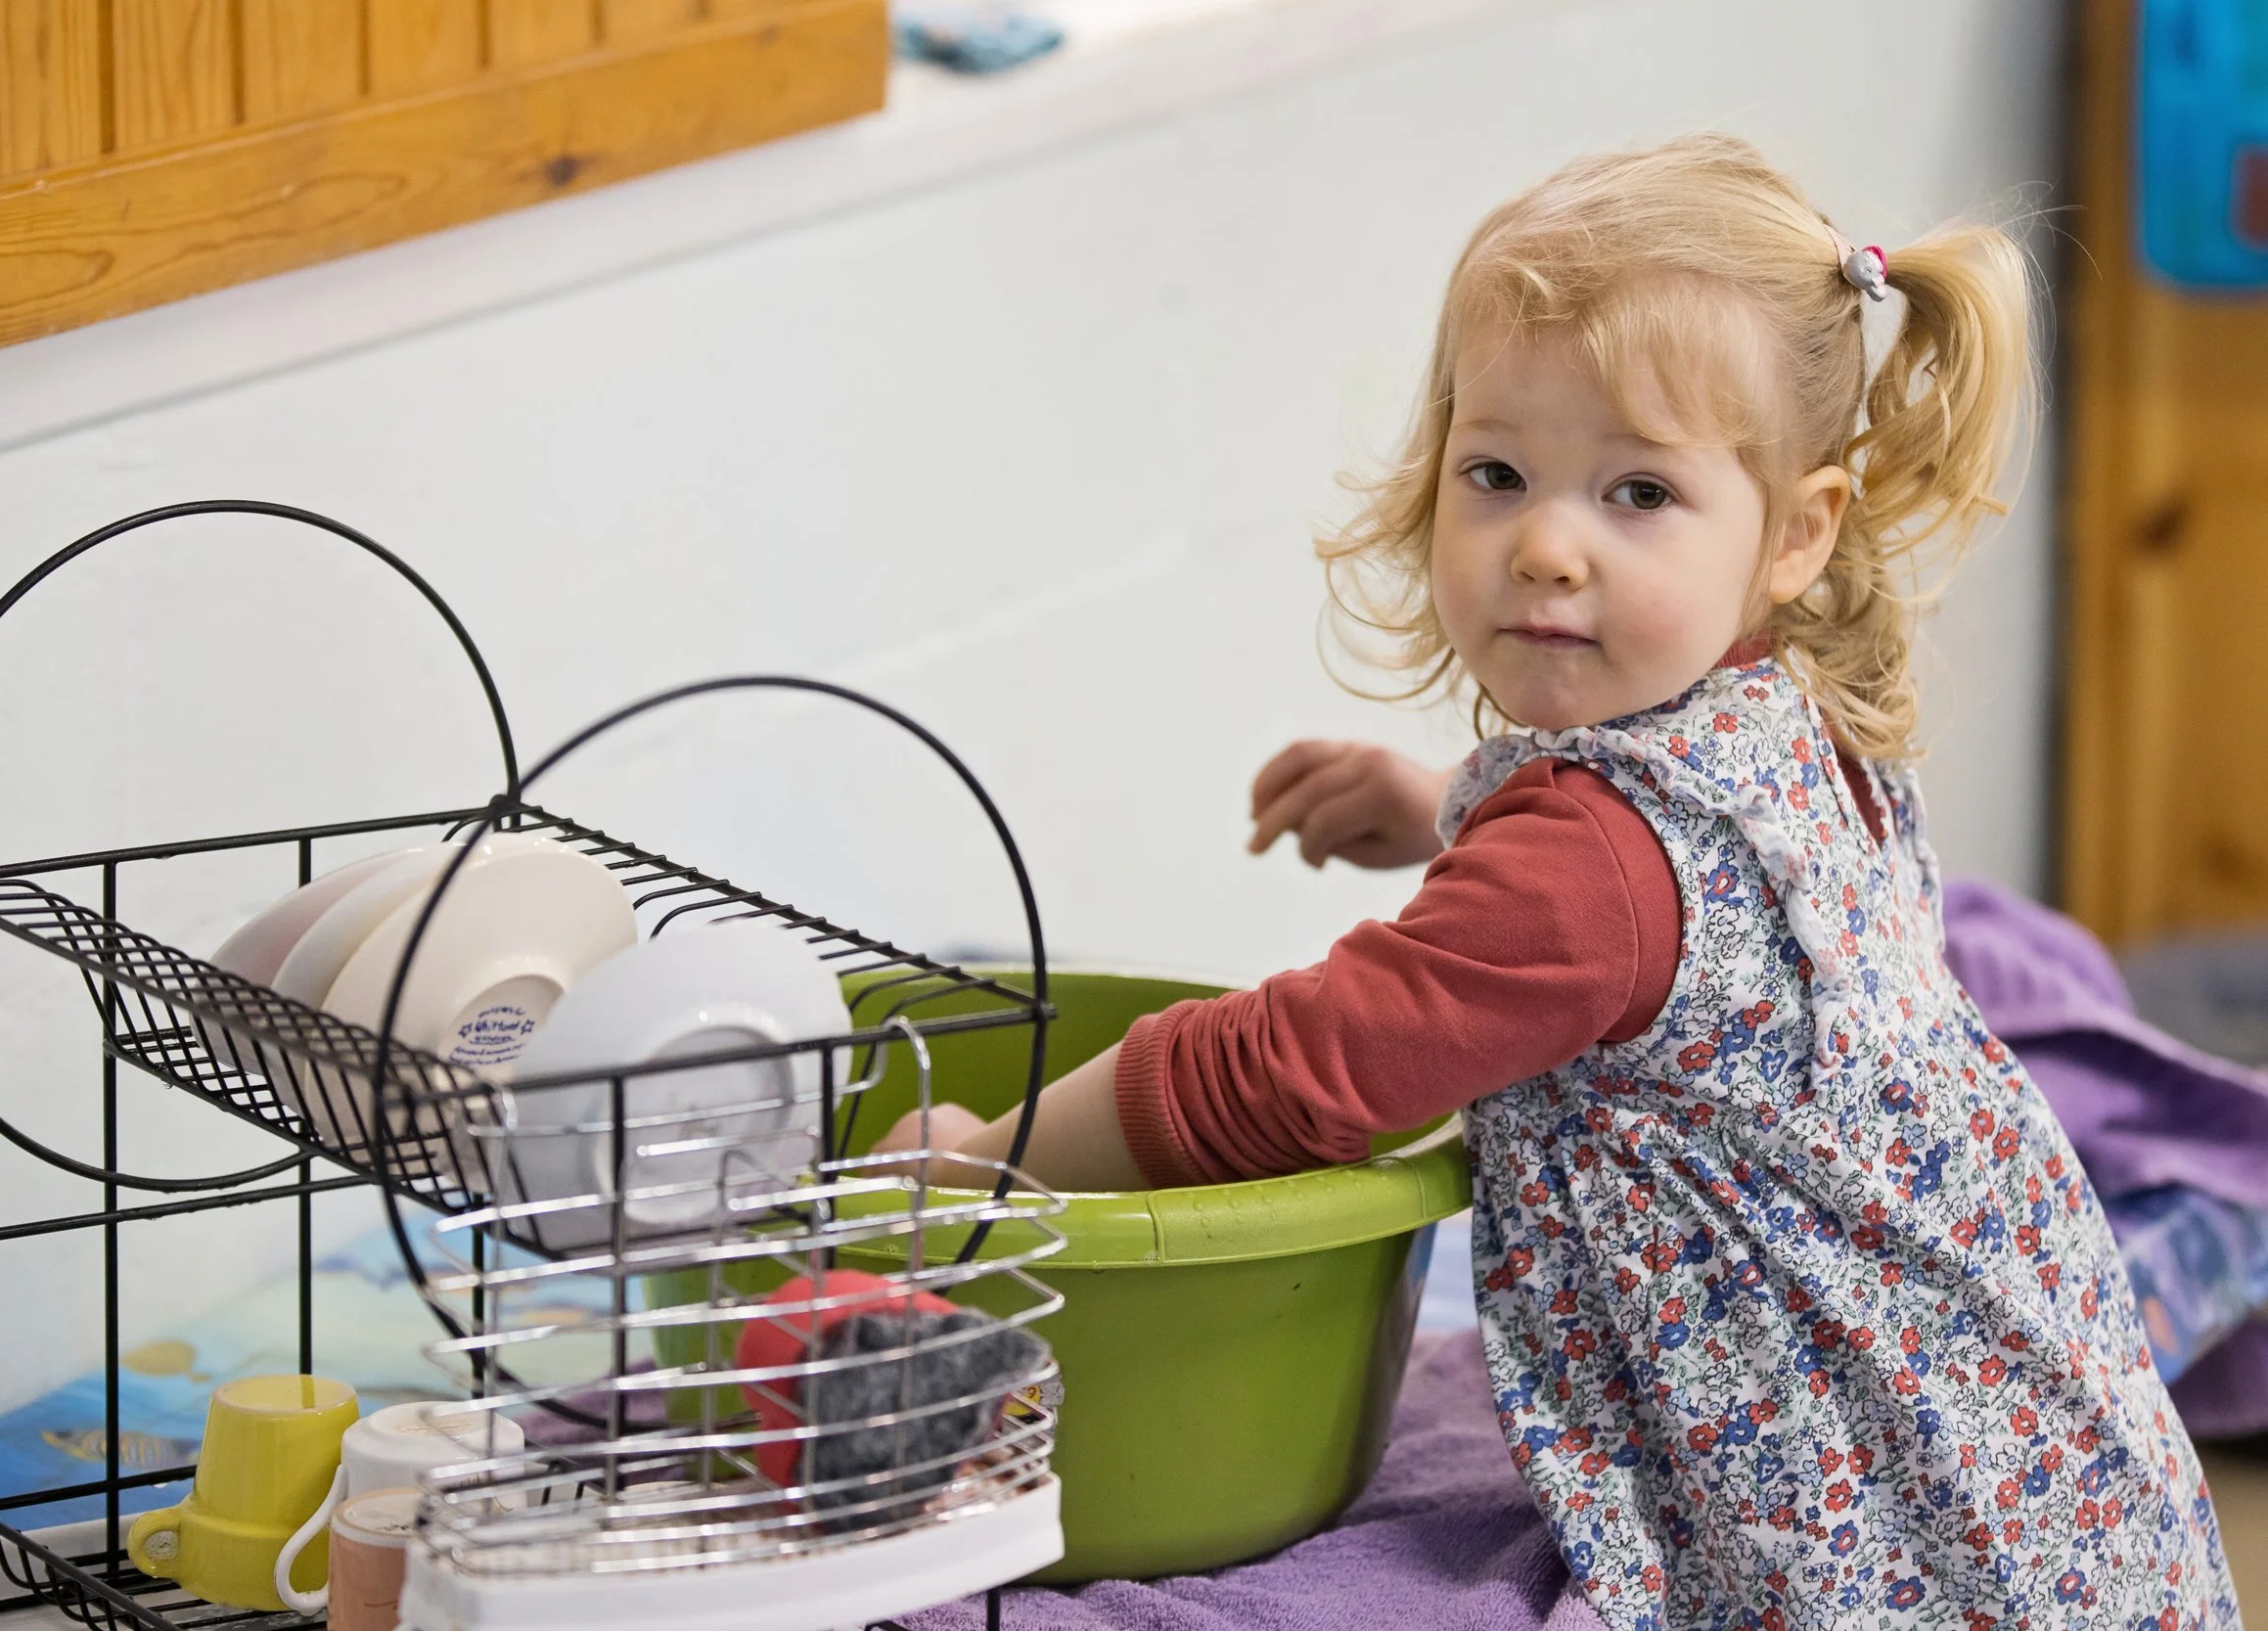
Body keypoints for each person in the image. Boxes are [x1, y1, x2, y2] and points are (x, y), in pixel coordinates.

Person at [876, 136, 2240, 1627]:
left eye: (1637, 491)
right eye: (1499, 472)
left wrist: (983, 1160)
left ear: (1797, 531)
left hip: (1885, 1538)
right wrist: (1443, 809)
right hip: (2061, 1488)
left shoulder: (1585, 871)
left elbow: (1287, 1072)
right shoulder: (1787, 715)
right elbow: (1634, 903)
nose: (1544, 544)